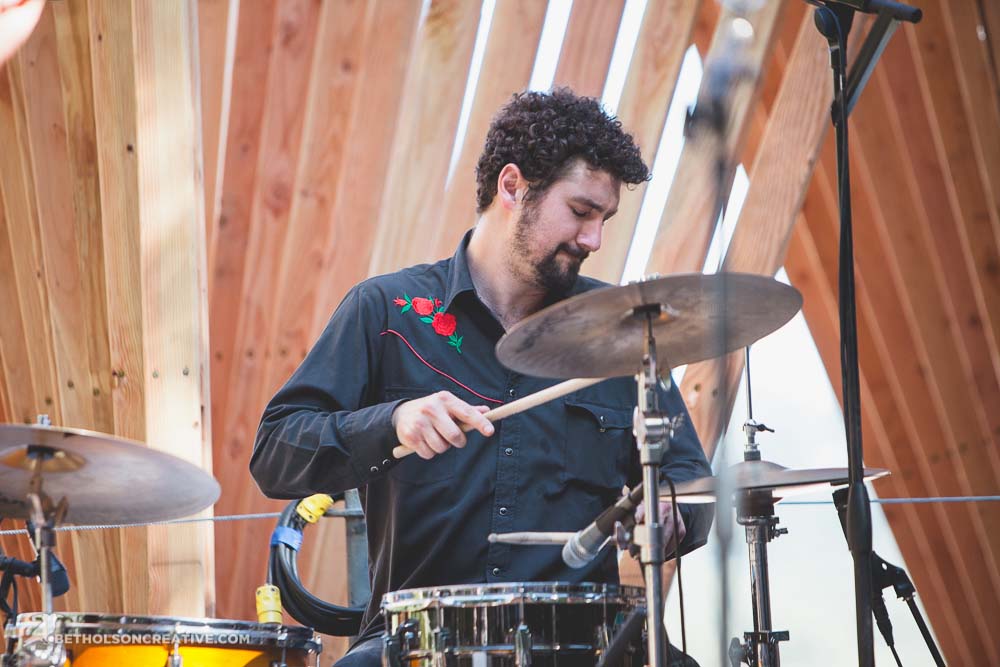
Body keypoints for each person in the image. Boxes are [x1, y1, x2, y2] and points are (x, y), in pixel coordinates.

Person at [251, 88, 714, 667]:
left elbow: (692, 477)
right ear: (513, 186)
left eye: (605, 219)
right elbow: (275, 449)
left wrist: (672, 507)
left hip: (582, 641)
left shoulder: (622, 332)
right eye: (580, 212)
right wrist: (391, 422)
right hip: (416, 640)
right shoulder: (387, 312)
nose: (593, 239)